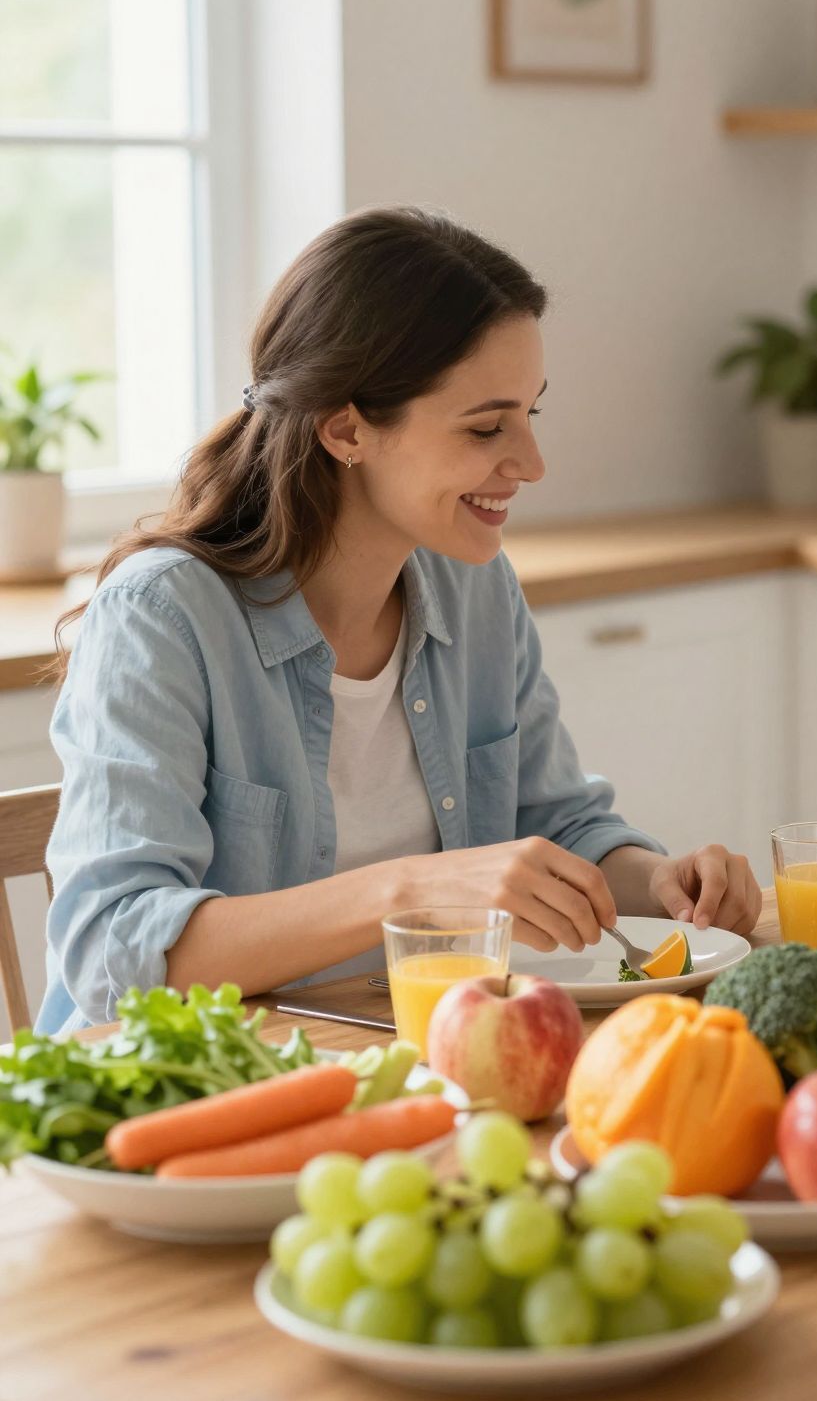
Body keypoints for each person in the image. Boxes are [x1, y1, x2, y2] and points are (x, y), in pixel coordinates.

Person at [39, 207, 760, 1034]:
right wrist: (409, 892)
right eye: (487, 425)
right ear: (347, 428)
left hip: (410, 1062)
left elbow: (556, 824)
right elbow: (110, 950)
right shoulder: (163, 618)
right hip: (199, 1099)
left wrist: (662, 880)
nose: (530, 463)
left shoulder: (473, 587)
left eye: (532, 414)